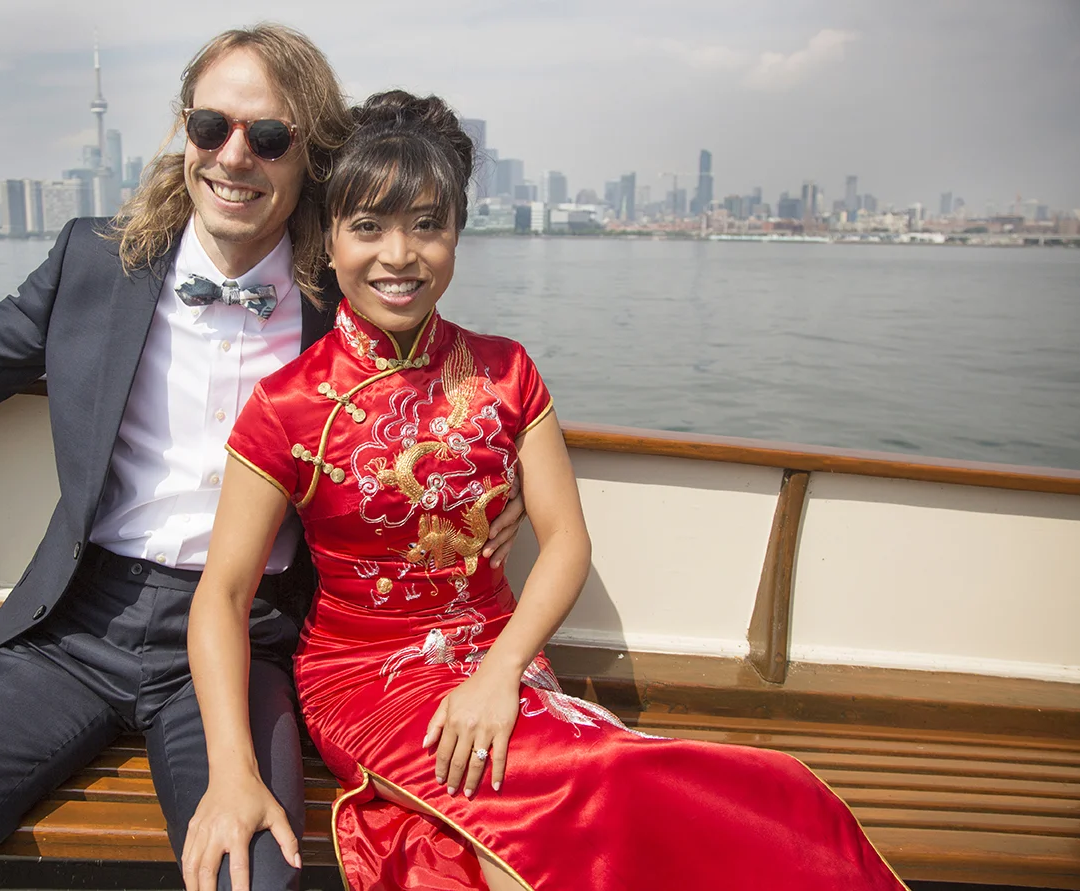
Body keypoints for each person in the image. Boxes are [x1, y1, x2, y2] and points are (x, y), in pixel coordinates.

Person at [0, 28, 524, 891]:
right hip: (76, 625)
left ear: (310, 157)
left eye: (268, 137)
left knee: (256, 879)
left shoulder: (340, 295)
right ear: (181, 133)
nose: (234, 156)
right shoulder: (95, 262)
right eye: (209, 126)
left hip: (243, 635)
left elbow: (445, 406)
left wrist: (493, 491)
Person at [179, 90, 911, 891]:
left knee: (537, 830)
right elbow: (222, 591)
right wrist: (231, 772)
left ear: (457, 233)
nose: (400, 254)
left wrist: (499, 671)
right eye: (368, 227)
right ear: (328, 237)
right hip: (365, 681)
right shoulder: (287, 404)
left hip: (506, 658)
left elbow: (564, 540)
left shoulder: (506, 371)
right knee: (562, 805)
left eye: (428, 225)